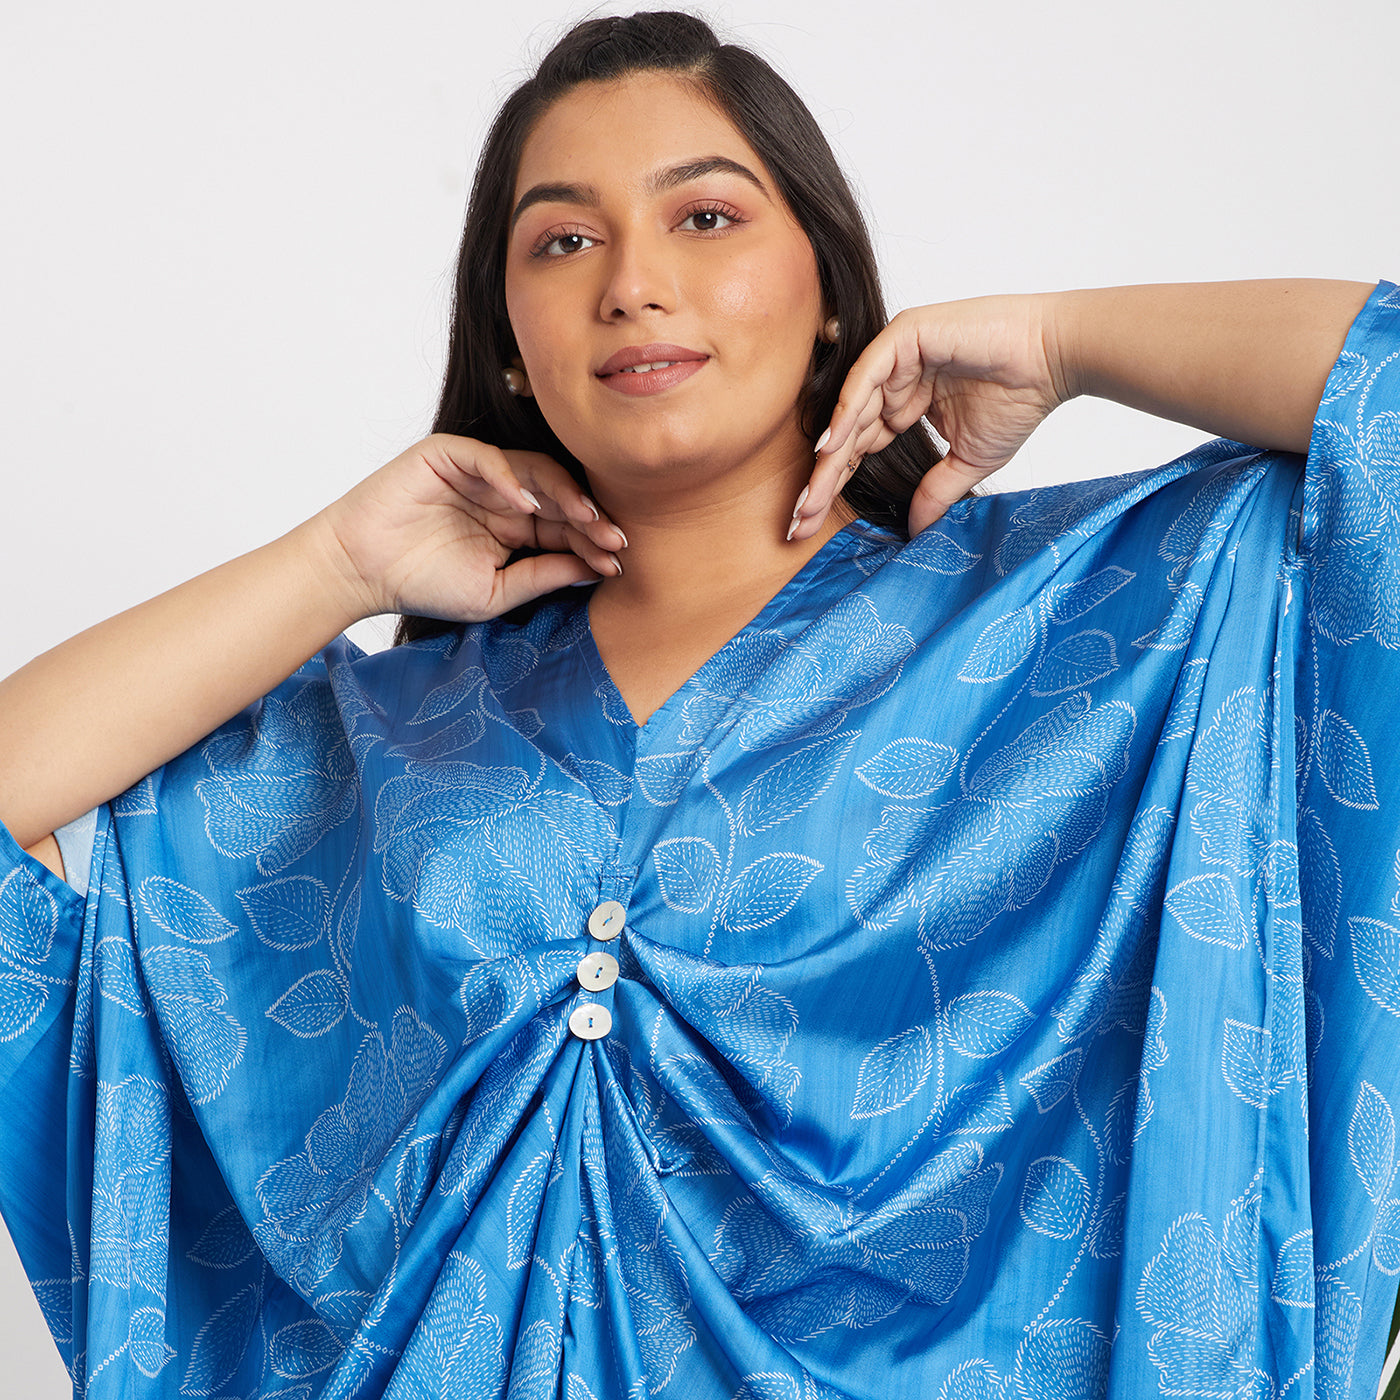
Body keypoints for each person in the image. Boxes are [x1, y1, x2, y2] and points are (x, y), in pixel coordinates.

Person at [0, 9, 1396, 1398]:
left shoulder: (1065, 621)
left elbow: (1377, 416)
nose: (632, 283)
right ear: (507, 342)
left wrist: (1059, 339)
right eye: (563, 240)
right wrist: (338, 562)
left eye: (708, 218)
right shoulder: (389, 737)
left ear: (831, 286)